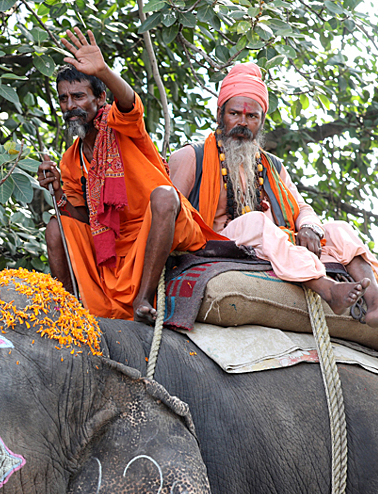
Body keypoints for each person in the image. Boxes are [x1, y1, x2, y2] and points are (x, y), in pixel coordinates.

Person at [168, 62, 378, 327]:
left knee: (338, 229)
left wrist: (309, 227)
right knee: (255, 221)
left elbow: (301, 207)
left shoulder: (273, 166)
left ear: (261, 121)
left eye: (252, 117)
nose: (242, 123)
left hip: (275, 242)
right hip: (217, 242)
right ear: (219, 114)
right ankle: (326, 289)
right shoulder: (192, 156)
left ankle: (377, 302)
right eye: (235, 114)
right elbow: (172, 217)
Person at [38, 28, 260, 323]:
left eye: (78, 96)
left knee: (164, 195)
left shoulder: (121, 125)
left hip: (160, 222)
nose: (70, 106)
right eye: (64, 99)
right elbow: (81, 216)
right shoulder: (71, 159)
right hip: (114, 242)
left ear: (101, 98)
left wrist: (102, 70)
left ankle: (143, 298)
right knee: (55, 227)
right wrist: (57, 192)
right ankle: (65, 305)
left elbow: (129, 102)